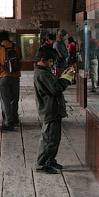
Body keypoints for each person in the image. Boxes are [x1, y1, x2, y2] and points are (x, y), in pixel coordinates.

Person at [33, 46, 75, 174]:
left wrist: (63, 76)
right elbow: (55, 89)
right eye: (50, 61)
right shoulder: (42, 73)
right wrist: (67, 78)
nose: (51, 64)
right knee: (48, 139)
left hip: (53, 109)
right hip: (49, 110)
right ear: (42, 60)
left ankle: (50, 160)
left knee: (54, 138)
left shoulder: (44, 71)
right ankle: (41, 164)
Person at [0, 30, 22, 130]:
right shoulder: (16, 47)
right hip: (15, 76)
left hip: (3, 76)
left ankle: (8, 122)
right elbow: (19, 60)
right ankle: (14, 118)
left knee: (5, 100)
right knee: (14, 98)